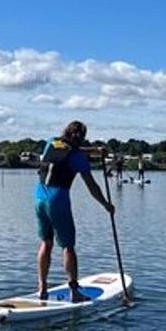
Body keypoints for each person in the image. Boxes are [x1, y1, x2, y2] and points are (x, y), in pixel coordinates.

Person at [35, 121, 115, 303]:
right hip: (59, 200)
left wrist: (93, 150)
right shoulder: (79, 158)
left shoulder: (51, 143)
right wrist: (106, 205)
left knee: (46, 243)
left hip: (39, 197)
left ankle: (42, 288)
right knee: (68, 247)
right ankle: (75, 292)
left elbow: (71, 149)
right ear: (82, 137)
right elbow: (92, 187)